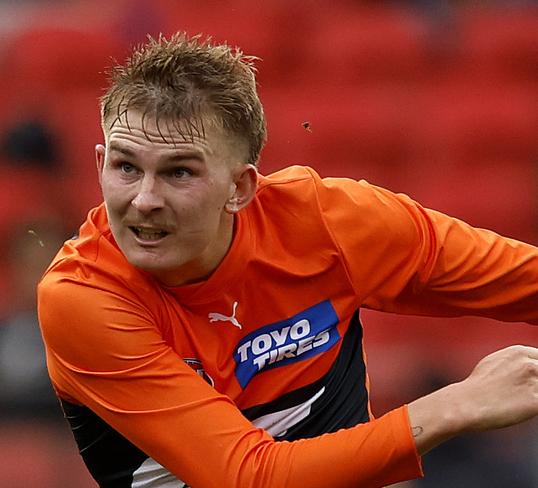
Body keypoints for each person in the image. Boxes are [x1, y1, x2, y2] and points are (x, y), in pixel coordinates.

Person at [37, 33, 538, 488]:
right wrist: (458, 405)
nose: (144, 199)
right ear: (100, 164)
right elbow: (251, 479)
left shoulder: (330, 224)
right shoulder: (82, 297)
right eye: (127, 167)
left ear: (240, 188)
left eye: (179, 172)